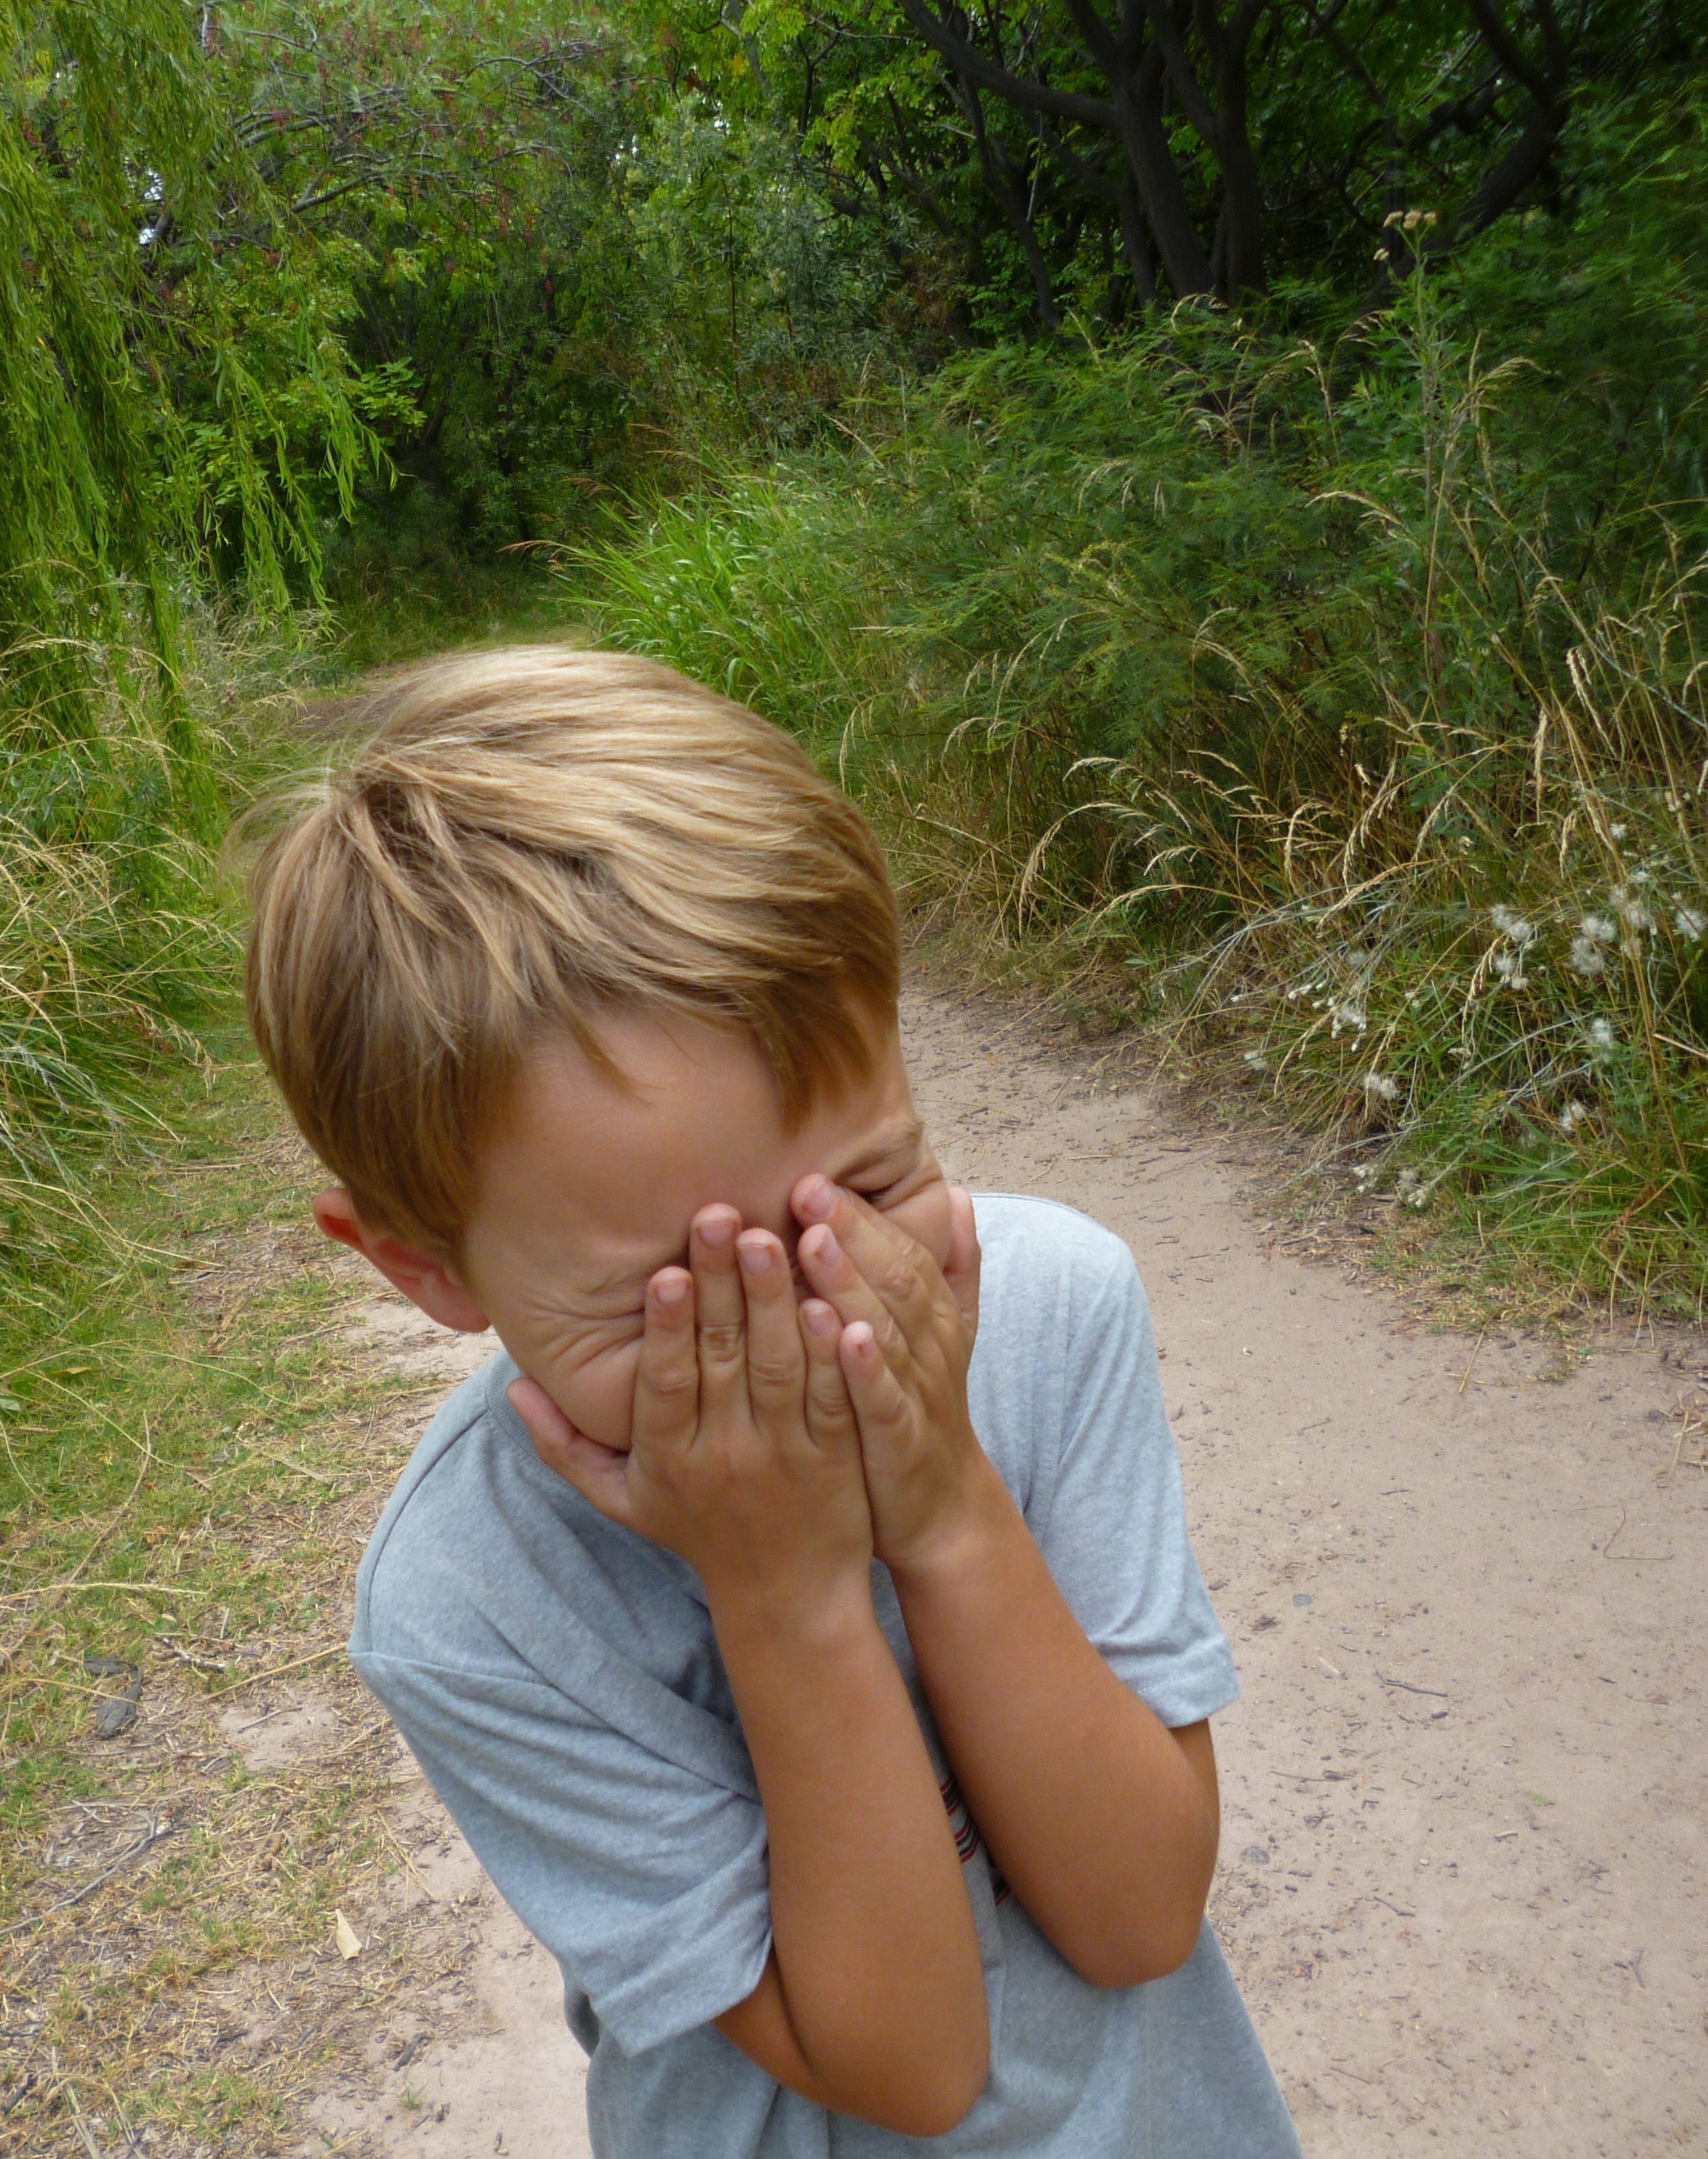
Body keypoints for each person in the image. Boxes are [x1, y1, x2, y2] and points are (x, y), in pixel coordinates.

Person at [243, 646, 1300, 2158]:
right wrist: (786, 1592)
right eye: (670, 1297)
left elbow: (1138, 1918)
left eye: (867, 1193)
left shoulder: (1056, 1311)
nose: (807, 1331)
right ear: (424, 1270)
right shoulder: (471, 1596)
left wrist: (943, 1507)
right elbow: (911, 2069)